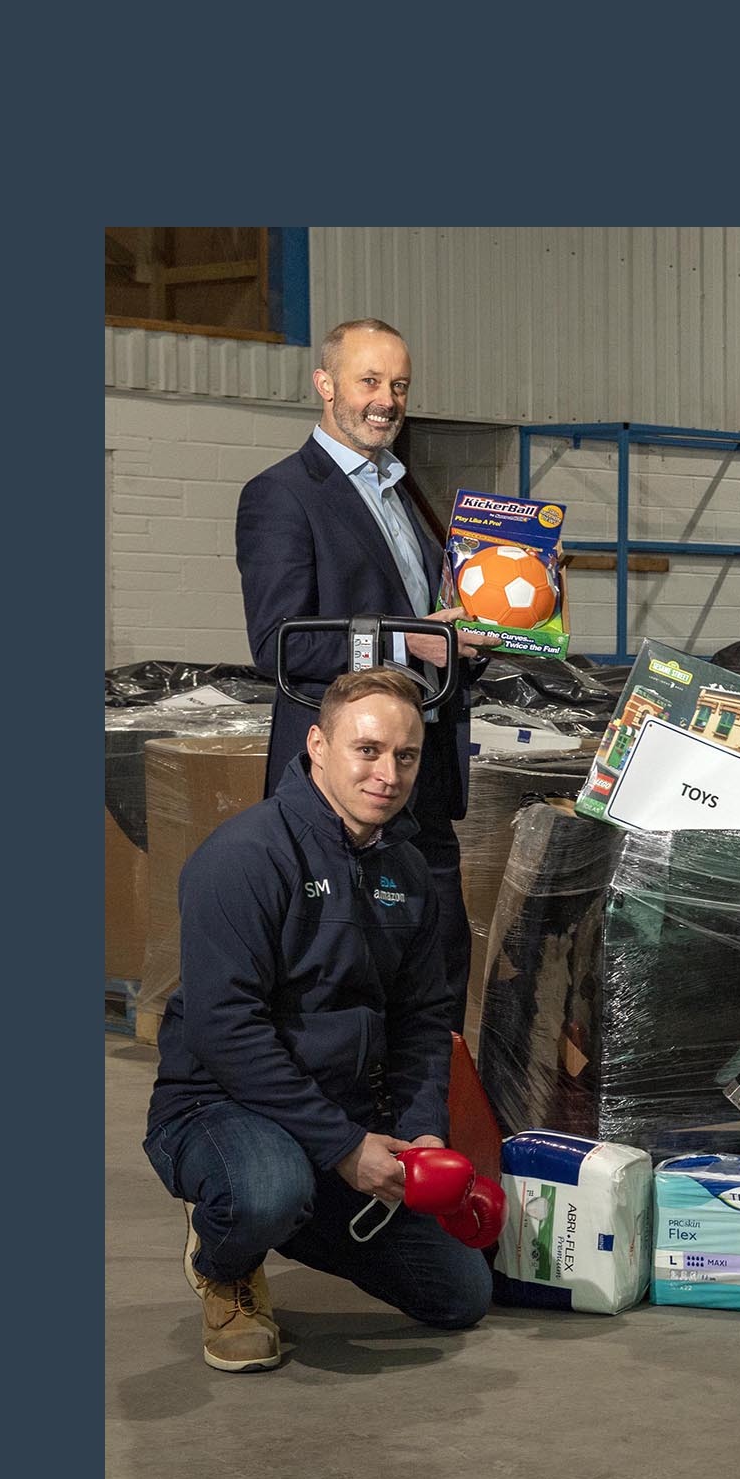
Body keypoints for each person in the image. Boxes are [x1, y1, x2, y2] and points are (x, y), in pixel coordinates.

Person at [143, 669, 493, 1372]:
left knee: (460, 1294)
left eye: (405, 756)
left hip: (347, 1119)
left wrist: (423, 1129)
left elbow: (424, 1019)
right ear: (317, 746)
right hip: (221, 1105)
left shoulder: (407, 869)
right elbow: (226, 1031)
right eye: (367, 750)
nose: (387, 774)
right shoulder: (246, 858)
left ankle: (283, 1210)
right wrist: (341, 1146)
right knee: (267, 1189)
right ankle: (227, 1259)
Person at [236, 318, 495, 1026]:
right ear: (325, 385)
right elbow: (282, 644)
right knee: (347, 979)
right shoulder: (283, 495)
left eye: (399, 385)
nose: (387, 399)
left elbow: (426, 620)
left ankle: (423, 1131)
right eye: (369, 381)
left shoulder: (402, 495)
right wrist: (413, 645)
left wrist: (488, 629)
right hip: (343, 790)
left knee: (436, 970)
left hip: (423, 770)